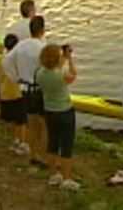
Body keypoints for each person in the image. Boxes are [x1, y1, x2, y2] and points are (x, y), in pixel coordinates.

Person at [3, 15, 48, 166]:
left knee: (30, 122)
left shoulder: (21, 46)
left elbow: (7, 61)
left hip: (25, 88)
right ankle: (42, 154)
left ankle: (34, 153)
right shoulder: (43, 47)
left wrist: (16, 78)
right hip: (39, 88)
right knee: (42, 124)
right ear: (42, 30)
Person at [36, 43, 79, 191]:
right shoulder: (61, 75)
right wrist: (70, 59)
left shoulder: (40, 73)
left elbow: (54, 68)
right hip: (65, 111)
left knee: (53, 143)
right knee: (66, 145)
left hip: (49, 111)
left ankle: (53, 175)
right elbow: (73, 74)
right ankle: (67, 178)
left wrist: (63, 60)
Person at [0, 34, 29, 156]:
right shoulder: (17, 60)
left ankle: (15, 141)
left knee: (11, 120)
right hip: (17, 93)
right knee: (21, 121)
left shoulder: (0, 59)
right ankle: (22, 143)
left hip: (5, 93)